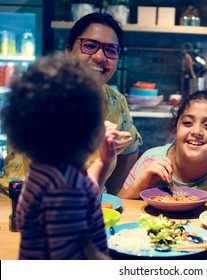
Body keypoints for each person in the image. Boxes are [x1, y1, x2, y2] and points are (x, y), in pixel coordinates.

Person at [0, 53, 129, 259]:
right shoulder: (61, 190)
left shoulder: (51, 172)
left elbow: (88, 187)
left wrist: (104, 161)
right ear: (85, 131)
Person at [0, 12, 142, 195]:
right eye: (90, 46)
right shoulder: (41, 92)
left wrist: (110, 194)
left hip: (86, 205)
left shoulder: (115, 100)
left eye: (111, 50)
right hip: (20, 202)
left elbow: (130, 148)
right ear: (68, 51)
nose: (100, 57)